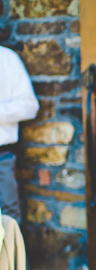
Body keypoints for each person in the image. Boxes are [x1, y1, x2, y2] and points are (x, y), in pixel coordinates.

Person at [0, 45, 39, 220]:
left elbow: (29, 107)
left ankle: (9, 249)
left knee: (8, 217)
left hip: (1, 156)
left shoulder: (7, 59)